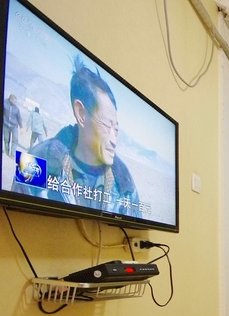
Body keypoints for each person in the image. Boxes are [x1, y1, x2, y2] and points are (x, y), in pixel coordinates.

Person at [14, 56, 140, 218]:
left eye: (116, 129)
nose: (113, 140)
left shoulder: (124, 183)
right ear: (81, 114)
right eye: (107, 125)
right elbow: (16, 217)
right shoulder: (37, 160)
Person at [3, 93, 22, 158]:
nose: (15, 102)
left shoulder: (16, 109)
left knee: (15, 140)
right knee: (6, 140)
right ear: (10, 99)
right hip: (6, 125)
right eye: (14, 100)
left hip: (14, 126)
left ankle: (12, 154)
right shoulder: (5, 104)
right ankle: (7, 152)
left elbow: (19, 118)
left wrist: (21, 127)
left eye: (15, 101)